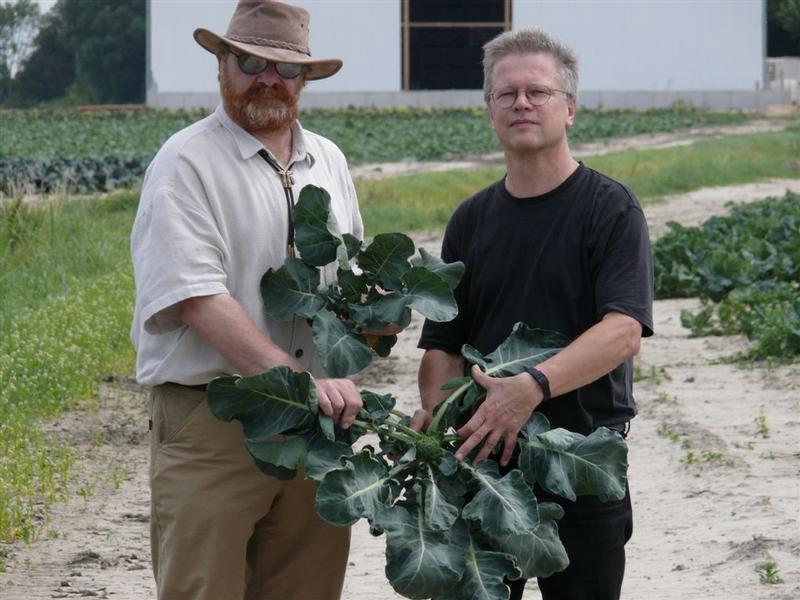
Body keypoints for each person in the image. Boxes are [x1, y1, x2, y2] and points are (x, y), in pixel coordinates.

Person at [130, 1, 371, 598]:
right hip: (216, 422)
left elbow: (350, 283)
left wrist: (374, 314)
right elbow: (197, 299)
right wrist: (295, 383)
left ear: (305, 79)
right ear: (222, 63)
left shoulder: (329, 161)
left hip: (315, 432)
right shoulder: (186, 163)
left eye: (286, 69)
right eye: (250, 61)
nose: (268, 79)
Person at [413, 27, 654, 600]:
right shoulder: (470, 220)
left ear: (569, 108)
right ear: (490, 110)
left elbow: (622, 332)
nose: (521, 103)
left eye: (538, 92)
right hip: (485, 465)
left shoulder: (611, 209)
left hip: (582, 464)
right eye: (506, 93)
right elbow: (444, 342)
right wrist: (436, 411)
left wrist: (532, 388)